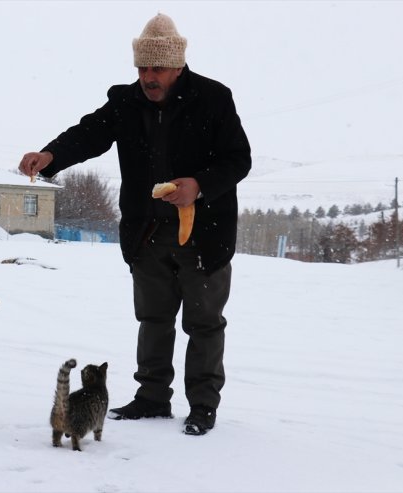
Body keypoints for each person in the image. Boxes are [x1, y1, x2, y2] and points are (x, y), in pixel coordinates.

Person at [18, 12, 251, 436]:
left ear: (178, 66)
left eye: (156, 68)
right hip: (148, 233)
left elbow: (239, 159)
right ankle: (152, 397)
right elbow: (89, 133)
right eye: (142, 68)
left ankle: (202, 406)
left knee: (203, 323)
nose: (148, 77)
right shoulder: (126, 101)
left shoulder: (214, 99)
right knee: (153, 318)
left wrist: (198, 185)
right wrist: (51, 155)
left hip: (204, 234)